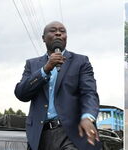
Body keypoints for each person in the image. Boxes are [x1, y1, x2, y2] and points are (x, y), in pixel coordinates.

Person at [14, 21, 101, 150]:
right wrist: (45, 69)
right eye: (53, 30)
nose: (58, 33)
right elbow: (21, 93)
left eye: (62, 31)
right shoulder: (32, 65)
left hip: (70, 134)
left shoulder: (81, 62)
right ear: (43, 38)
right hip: (40, 136)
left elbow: (89, 93)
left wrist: (88, 117)